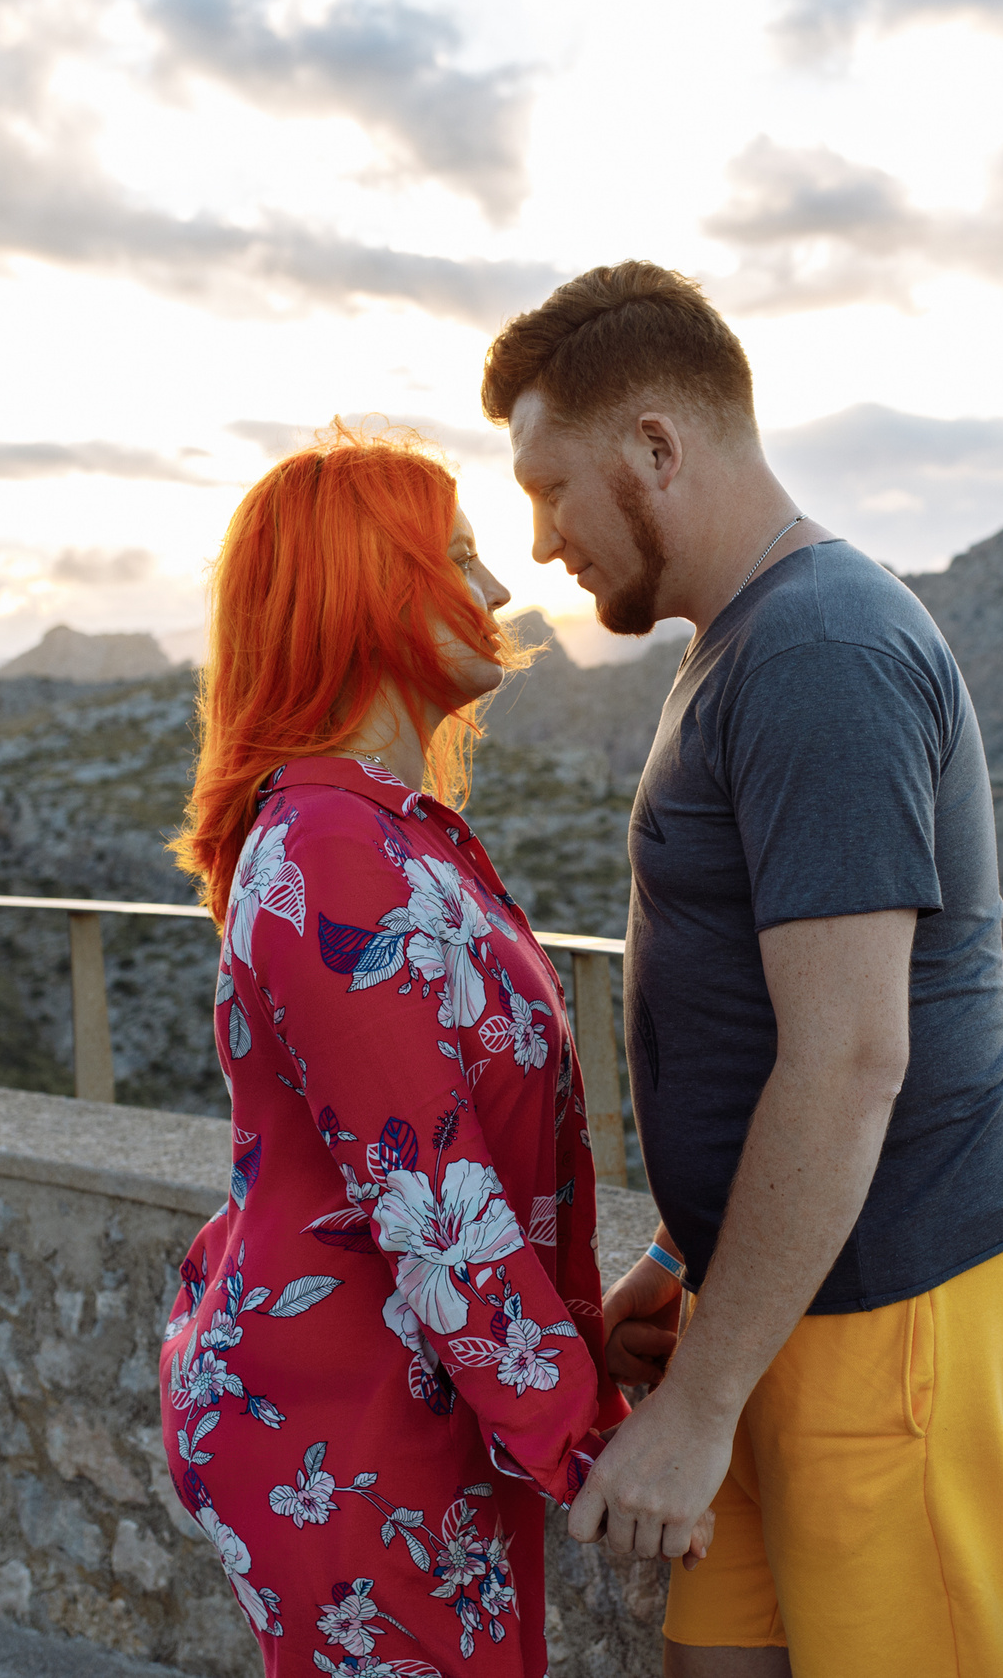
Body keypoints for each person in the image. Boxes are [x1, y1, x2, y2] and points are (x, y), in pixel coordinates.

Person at [481, 265, 1003, 1678]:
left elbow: (851, 1052)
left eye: (549, 486)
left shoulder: (819, 646)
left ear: (656, 449)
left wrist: (700, 1399)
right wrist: (691, 1265)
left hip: (891, 1302)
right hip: (769, 1303)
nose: (543, 538)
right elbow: (756, 1014)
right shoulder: (743, 640)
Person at [160, 421, 627, 1676]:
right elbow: (430, 1194)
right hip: (346, 1430)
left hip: (408, 1406)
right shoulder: (331, 853)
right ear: (368, 591)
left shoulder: (389, 833)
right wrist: (594, 1439)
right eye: (459, 556)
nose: (497, 588)